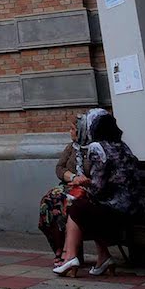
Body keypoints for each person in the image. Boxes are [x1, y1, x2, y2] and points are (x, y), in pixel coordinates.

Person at [54, 111, 145, 278]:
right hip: (138, 208)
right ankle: (102, 258)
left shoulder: (98, 148)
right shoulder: (122, 146)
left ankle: (70, 257)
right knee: (83, 206)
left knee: (76, 207)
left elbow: (99, 189)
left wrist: (83, 183)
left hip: (120, 210)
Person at [38, 109, 101, 261]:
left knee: (62, 202)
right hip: (70, 185)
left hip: (88, 189)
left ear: (82, 131)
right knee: (48, 202)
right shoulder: (72, 147)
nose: (70, 132)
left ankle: (69, 251)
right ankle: (59, 247)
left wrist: (82, 180)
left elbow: (97, 174)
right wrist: (73, 176)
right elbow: (60, 168)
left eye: (73, 129)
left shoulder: (95, 149)